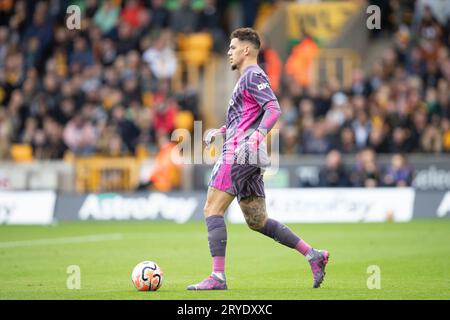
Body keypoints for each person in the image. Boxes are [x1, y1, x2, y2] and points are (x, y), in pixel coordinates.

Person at [187, 28, 329, 291]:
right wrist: (220, 132)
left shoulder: (252, 75)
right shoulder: (245, 79)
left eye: (232, 47)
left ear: (246, 50)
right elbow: (245, 118)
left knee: (212, 209)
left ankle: (217, 277)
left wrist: (256, 137)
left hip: (239, 152)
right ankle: (314, 255)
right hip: (247, 153)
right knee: (257, 221)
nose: (229, 52)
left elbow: (273, 108)